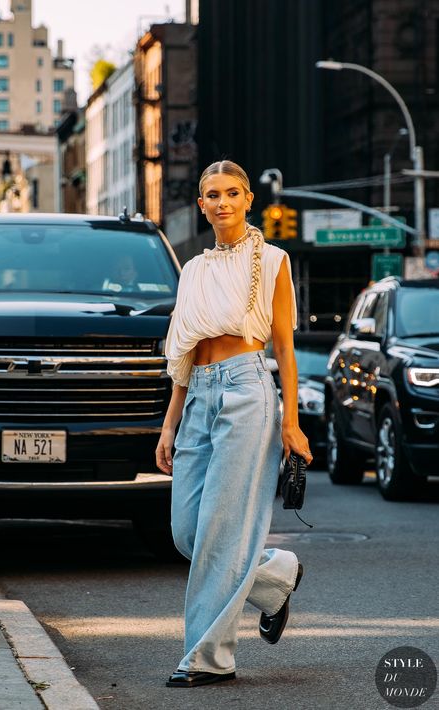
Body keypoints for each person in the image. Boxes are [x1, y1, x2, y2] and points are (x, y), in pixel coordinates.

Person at [156, 160, 313, 689]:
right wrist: (168, 425)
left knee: (220, 532)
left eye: (231, 193)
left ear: (248, 199)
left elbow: (286, 348)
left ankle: (207, 658)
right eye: (211, 195)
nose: (221, 202)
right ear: (201, 204)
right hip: (198, 395)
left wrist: (291, 422)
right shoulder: (194, 270)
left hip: (247, 391)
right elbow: (182, 349)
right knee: (188, 533)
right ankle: (275, 577)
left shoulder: (273, 260)